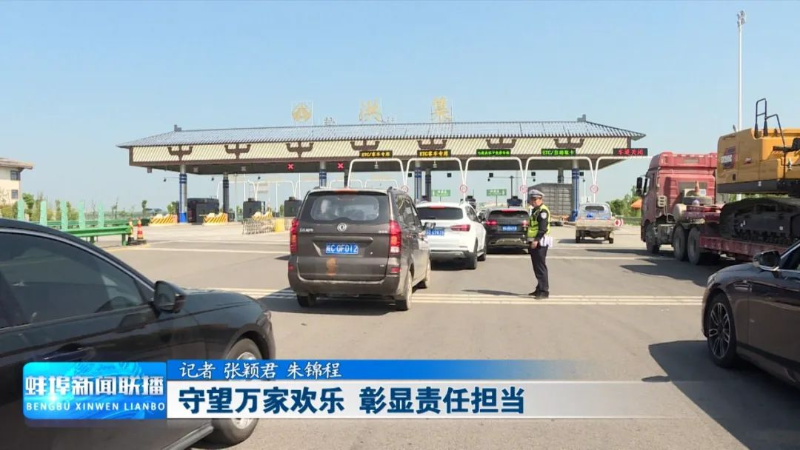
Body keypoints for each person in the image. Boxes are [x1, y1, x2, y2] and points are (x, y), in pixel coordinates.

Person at [527, 189, 553, 299]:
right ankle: (539, 288)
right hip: (534, 240)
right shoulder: (535, 210)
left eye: (535, 199)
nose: (533, 201)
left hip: (540, 241)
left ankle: (544, 291)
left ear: (540, 199)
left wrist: (536, 240)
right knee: (537, 266)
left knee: (540, 267)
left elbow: (542, 228)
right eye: (532, 199)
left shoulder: (543, 211)